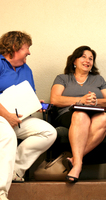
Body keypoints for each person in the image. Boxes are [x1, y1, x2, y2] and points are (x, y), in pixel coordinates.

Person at [0, 31, 57, 199]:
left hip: (19, 118)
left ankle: (15, 170)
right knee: (8, 135)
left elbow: (28, 93)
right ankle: (1, 192)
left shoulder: (27, 69)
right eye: (27, 48)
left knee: (49, 132)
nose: (29, 52)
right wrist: (7, 116)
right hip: (2, 117)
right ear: (14, 47)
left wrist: (34, 103)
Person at [50, 46, 106, 183]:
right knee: (80, 115)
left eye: (91, 58)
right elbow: (55, 99)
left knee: (105, 118)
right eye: (83, 57)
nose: (87, 60)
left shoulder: (98, 79)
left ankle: (75, 160)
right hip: (69, 114)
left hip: (93, 112)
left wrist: (96, 101)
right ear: (74, 60)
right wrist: (81, 100)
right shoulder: (63, 78)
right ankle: (78, 165)